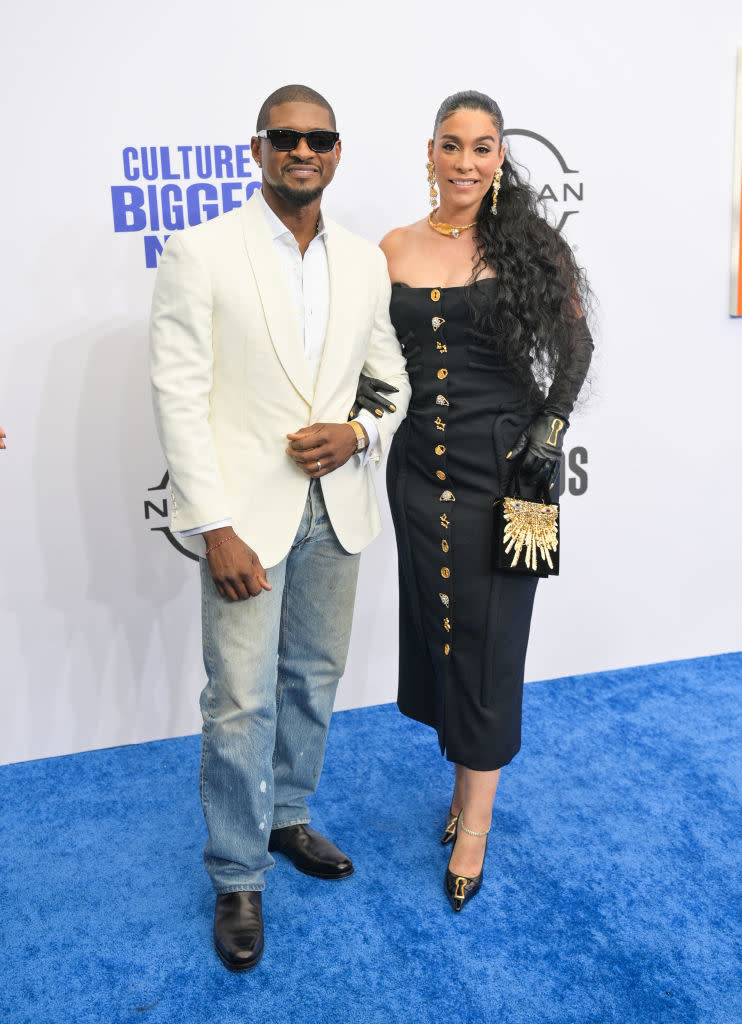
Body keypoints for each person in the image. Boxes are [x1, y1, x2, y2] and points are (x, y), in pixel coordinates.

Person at [149, 84, 410, 970]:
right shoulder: (201, 250)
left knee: (313, 679)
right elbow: (180, 394)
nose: (305, 150)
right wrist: (214, 525)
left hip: (336, 509)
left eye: (321, 138)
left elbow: (390, 379)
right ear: (257, 148)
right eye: (287, 137)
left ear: (337, 152)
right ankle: (236, 872)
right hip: (243, 522)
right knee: (239, 700)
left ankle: (289, 815)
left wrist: (359, 432)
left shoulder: (367, 261)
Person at [380, 91, 593, 912]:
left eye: (483, 146)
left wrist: (551, 424)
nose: (466, 161)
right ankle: (463, 785)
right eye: (452, 145)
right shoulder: (393, 246)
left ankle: (475, 824)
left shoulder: (528, 244)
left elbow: (577, 344)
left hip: (518, 474)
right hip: (417, 475)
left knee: (496, 642)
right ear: (428, 152)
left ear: (500, 158)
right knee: (442, 629)